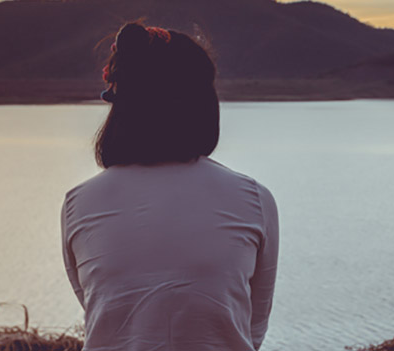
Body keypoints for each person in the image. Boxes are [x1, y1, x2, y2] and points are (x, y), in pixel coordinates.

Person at [60, 22, 279, 351]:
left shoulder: (79, 203)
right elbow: (252, 327)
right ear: (202, 102)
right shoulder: (252, 199)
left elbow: (101, 312)